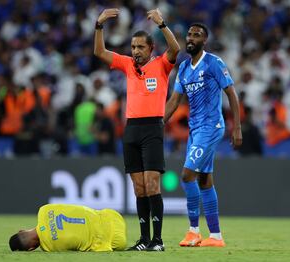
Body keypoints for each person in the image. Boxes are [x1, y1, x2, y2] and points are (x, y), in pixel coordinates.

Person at [94, 8, 180, 251]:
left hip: (153, 127)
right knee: (139, 187)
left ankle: (158, 240)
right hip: (131, 129)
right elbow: (99, 51)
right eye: (133, 47)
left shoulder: (162, 65)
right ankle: (144, 240)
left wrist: (162, 24)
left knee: (152, 185)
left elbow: (175, 50)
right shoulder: (127, 65)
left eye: (140, 47)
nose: (135, 52)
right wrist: (99, 25)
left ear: (151, 48)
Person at [164, 23, 242, 247]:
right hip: (195, 130)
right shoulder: (184, 69)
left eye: (196, 35)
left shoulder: (213, 63)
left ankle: (193, 231)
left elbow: (231, 93)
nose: (191, 38)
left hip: (211, 127)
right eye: (189, 34)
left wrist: (236, 127)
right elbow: (174, 101)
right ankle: (216, 236)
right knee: (204, 180)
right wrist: (158, 123)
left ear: (204, 41)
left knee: (187, 175)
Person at [9, 204, 126, 252]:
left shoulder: (49, 247)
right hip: (112, 215)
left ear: (31, 248)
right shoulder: (44, 209)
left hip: (117, 241)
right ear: (22, 230)